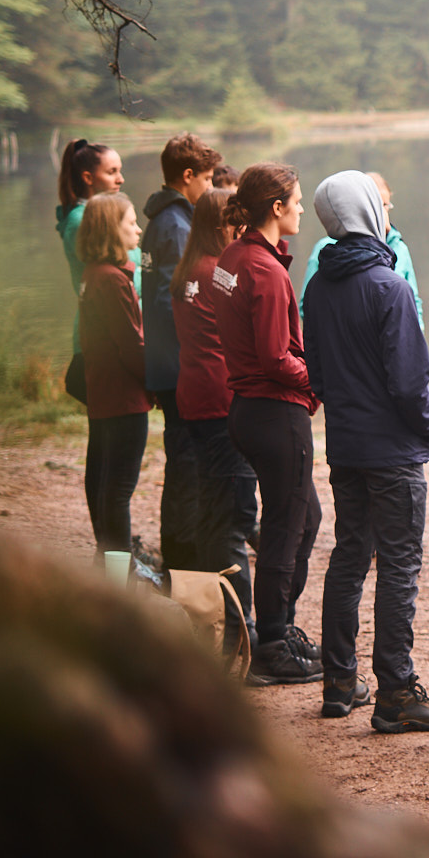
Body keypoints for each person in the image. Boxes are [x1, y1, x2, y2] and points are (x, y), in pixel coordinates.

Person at [303, 171, 429, 734]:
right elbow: (408, 380)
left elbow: (315, 372)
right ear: (368, 212)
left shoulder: (319, 286)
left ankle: (339, 682)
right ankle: (395, 691)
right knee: (398, 564)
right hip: (392, 451)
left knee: (349, 556)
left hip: (345, 445)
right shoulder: (388, 287)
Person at [211, 163, 326, 688]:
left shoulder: (231, 256)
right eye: (297, 201)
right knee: (288, 527)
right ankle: (273, 641)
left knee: (303, 519)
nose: (302, 209)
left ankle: (281, 627)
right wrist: (322, 382)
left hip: (245, 409)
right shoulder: (265, 270)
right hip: (275, 411)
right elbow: (278, 358)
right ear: (276, 207)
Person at [170, 187, 258, 638]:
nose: (241, 231)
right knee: (232, 519)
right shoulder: (217, 272)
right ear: (220, 224)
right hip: (222, 399)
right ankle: (242, 632)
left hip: (195, 397)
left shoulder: (188, 270)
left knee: (211, 512)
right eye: (236, 222)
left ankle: (209, 618)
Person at [141, 133, 221, 573]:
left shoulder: (160, 219)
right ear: (187, 176)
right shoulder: (175, 226)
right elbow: (170, 301)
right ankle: (182, 556)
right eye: (207, 179)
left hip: (165, 361)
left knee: (182, 459)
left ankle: (179, 548)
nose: (210, 188)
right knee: (187, 464)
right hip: (177, 365)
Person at [75, 193, 150, 558]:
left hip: (103, 395)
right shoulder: (113, 280)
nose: (137, 229)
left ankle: (108, 564)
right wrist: (161, 385)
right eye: (130, 222)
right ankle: (117, 577)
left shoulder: (94, 274)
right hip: (124, 399)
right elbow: (132, 346)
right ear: (110, 230)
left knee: (105, 485)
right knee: (118, 490)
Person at [301, 170, 423, 325]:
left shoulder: (399, 248)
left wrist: (416, 333)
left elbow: (414, 301)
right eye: (376, 205)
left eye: (385, 205)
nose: (381, 212)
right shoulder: (327, 251)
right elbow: (308, 306)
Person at [55, 139, 133, 365]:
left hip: (117, 327)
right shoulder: (81, 222)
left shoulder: (102, 214)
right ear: (88, 178)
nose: (121, 179)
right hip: (101, 333)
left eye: (120, 171)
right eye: (112, 172)